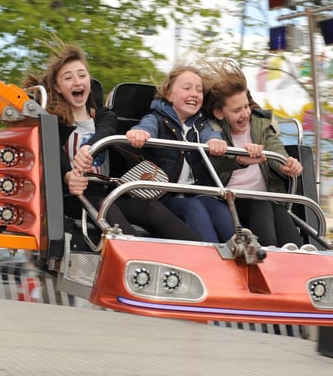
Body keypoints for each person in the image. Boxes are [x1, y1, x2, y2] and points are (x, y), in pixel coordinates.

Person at [24, 42, 201, 242]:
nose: (77, 81)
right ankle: (140, 259)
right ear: (57, 87)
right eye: (68, 78)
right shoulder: (55, 123)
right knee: (108, 211)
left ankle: (201, 255)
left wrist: (88, 148)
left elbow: (106, 130)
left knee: (152, 209)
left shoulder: (103, 116)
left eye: (82, 75)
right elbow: (53, 152)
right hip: (73, 196)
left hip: (105, 191)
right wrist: (68, 176)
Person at [125, 64, 235, 243]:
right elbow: (146, 127)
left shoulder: (201, 125)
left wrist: (214, 142)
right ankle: (211, 255)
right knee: (192, 208)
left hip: (196, 193)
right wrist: (140, 134)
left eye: (199, 90)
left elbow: (210, 135)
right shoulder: (157, 119)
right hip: (166, 196)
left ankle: (241, 252)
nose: (194, 93)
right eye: (187, 88)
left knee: (219, 208)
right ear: (169, 95)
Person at [203, 59, 304, 248]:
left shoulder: (261, 125)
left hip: (264, 200)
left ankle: (298, 254)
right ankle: (268, 250)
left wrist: (286, 165)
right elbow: (214, 166)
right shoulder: (213, 132)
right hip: (230, 200)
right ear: (219, 113)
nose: (245, 114)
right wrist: (240, 160)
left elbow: (275, 150)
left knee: (279, 211)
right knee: (261, 205)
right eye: (236, 110)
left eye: (246, 106)